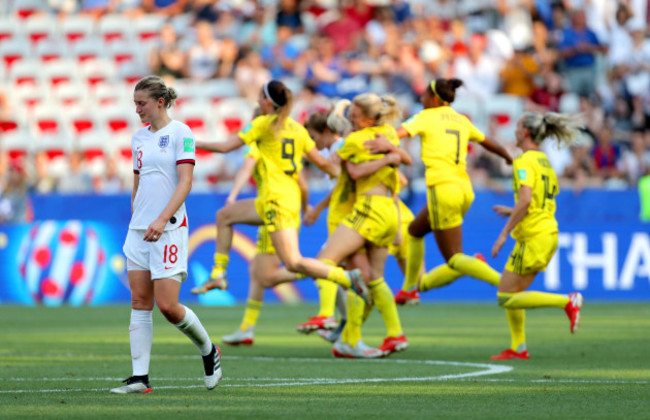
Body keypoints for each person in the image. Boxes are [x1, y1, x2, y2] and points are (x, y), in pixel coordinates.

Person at [190, 80, 365, 299]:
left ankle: (345, 277)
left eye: (260, 97)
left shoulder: (263, 124)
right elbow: (324, 164)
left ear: (268, 102)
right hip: (282, 200)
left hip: (276, 201)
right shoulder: (297, 129)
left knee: (293, 262)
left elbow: (226, 147)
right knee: (224, 216)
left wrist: (189, 141)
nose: (257, 101)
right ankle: (218, 273)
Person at [111, 76, 222, 394]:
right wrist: (138, 214)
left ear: (160, 102)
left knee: (168, 306)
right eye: (134, 104)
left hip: (169, 228)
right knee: (139, 301)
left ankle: (208, 350)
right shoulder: (137, 138)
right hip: (139, 230)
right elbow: (138, 180)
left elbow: (185, 182)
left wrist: (161, 219)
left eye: (141, 103)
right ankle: (139, 378)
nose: (137, 110)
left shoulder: (181, 133)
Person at [377, 78, 512, 306]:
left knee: (454, 258)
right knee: (414, 231)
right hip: (464, 189)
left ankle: (505, 282)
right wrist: (508, 157)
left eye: (424, 96)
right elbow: (489, 143)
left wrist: (374, 137)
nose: (421, 99)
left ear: (435, 99)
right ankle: (410, 289)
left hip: (443, 189)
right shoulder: (461, 120)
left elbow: (396, 135)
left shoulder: (426, 116)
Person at [313, 93, 412, 358]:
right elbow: (406, 163)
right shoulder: (389, 134)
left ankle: (327, 317)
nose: (351, 117)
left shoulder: (354, 141)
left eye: (355, 113)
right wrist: (392, 155)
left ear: (368, 117)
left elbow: (340, 167)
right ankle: (391, 334)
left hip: (368, 209)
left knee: (323, 264)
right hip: (390, 211)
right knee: (374, 278)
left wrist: (306, 149)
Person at [490, 112, 584, 360]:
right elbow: (539, 202)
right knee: (511, 291)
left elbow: (526, 199)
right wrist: (513, 211)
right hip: (547, 231)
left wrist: (503, 234)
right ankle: (518, 346)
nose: (514, 131)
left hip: (533, 236)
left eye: (518, 126)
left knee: (505, 297)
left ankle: (567, 301)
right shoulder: (544, 161)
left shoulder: (523, 160)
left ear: (526, 133)